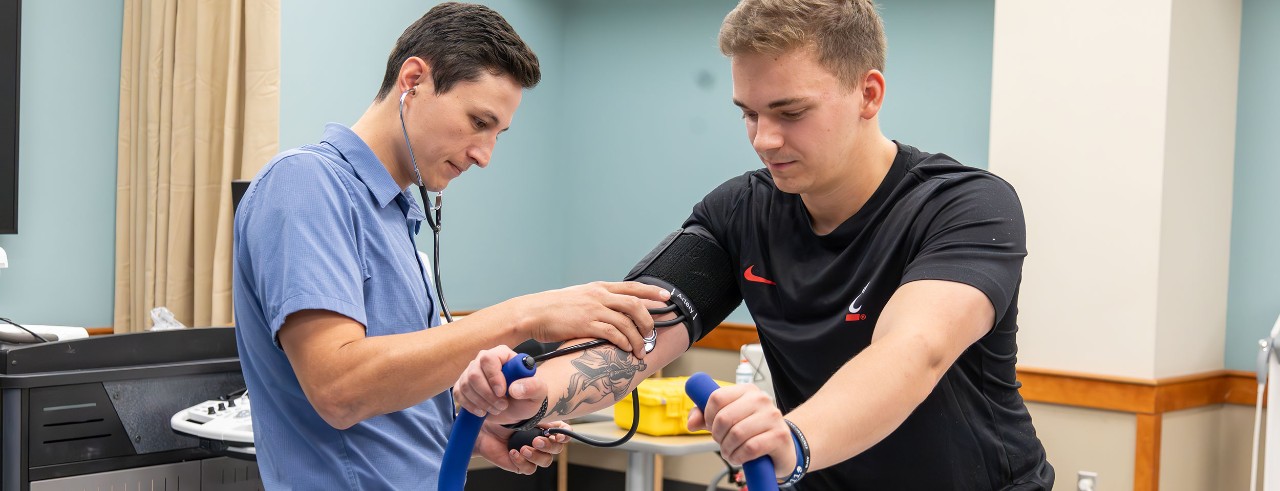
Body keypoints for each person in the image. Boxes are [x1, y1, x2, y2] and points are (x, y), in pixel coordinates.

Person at [452, 0, 1054, 489]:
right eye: (749, 113)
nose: (764, 139)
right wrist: (535, 393)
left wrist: (794, 440)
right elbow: (636, 331)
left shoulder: (966, 206)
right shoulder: (741, 210)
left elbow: (915, 349)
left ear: (869, 94)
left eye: (790, 112)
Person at [231, 3, 670, 489]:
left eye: (497, 134)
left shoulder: (394, 216)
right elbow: (340, 389)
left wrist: (471, 429)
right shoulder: (305, 183)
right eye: (478, 121)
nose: (484, 156)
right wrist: (525, 315)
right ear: (413, 80)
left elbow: (389, 399)